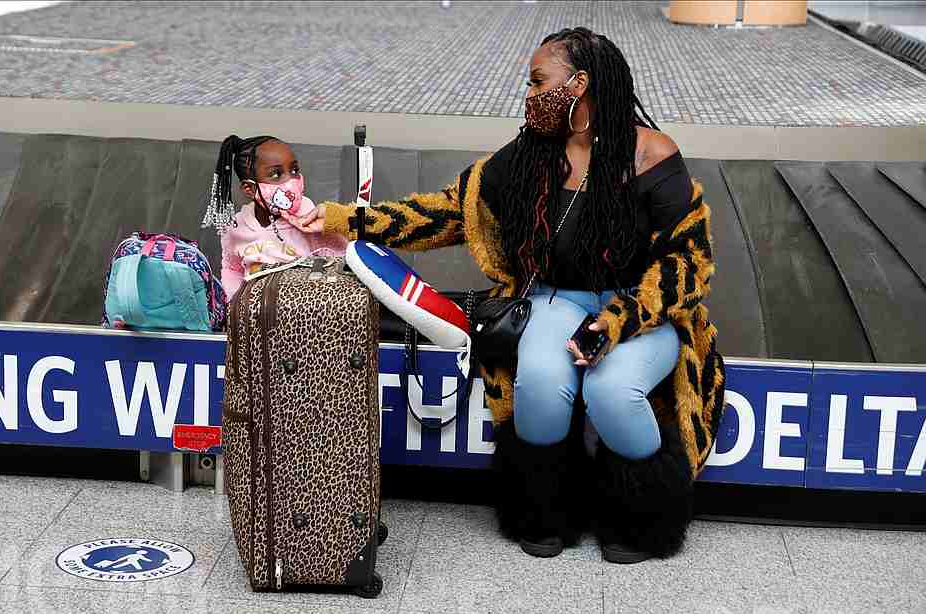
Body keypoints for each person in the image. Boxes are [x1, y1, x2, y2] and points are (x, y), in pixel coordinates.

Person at [291, 28, 725, 563]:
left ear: (580, 84)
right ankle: (542, 512)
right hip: (553, 299)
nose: (528, 94)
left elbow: (689, 263)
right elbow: (449, 211)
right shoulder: (528, 154)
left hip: (639, 312)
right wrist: (340, 219)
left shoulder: (652, 155)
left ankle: (641, 520)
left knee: (613, 393)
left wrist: (615, 322)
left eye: (538, 81)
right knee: (540, 385)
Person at [200, 134, 348, 299]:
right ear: (250, 189)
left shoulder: (310, 217)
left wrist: (334, 225)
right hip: (255, 312)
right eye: (276, 174)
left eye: (294, 170)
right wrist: (233, 302)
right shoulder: (236, 228)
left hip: (300, 310)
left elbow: (342, 260)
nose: (292, 180)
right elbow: (232, 269)